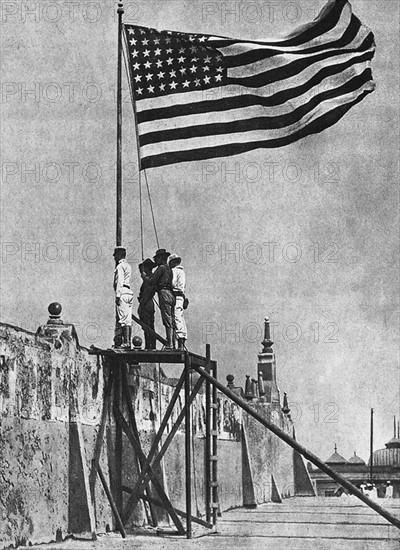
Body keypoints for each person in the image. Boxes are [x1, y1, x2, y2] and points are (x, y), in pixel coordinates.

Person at [140, 248, 175, 350]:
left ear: (161, 258)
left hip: (164, 293)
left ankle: (170, 344)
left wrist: (144, 277)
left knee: (167, 319)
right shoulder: (169, 269)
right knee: (171, 319)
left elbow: (152, 281)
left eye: (157, 258)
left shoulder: (161, 268)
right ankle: (172, 343)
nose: (155, 261)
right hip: (171, 294)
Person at [113, 246, 134, 348]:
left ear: (119, 255)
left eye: (115, 255)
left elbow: (119, 281)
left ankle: (126, 342)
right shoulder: (128, 265)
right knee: (128, 319)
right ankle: (128, 341)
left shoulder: (120, 266)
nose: (114, 258)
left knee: (123, 319)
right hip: (129, 292)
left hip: (122, 292)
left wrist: (118, 295)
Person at [168, 253, 187, 349]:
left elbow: (173, 283)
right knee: (181, 318)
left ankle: (179, 342)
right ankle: (182, 340)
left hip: (176, 296)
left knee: (176, 318)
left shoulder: (174, 271)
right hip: (181, 297)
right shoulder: (182, 272)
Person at [138, 258, 156, 350]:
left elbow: (147, 293)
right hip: (149, 303)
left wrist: (141, 304)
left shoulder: (148, 279)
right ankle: (151, 345)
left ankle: (149, 345)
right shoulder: (151, 277)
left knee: (147, 326)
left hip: (146, 303)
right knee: (150, 326)